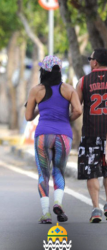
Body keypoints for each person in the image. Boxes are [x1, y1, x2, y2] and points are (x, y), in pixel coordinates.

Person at [25, 55, 82, 224]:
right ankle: (58, 202)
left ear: (43, 71)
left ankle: (46, 214)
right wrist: (66, 119)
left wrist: (38, 110)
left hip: (43, 135)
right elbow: (78, 110)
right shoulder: (68, 89)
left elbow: (28, 116)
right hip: (64, 136)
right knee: (59, 171)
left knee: (43, 173)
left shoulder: (36, 90)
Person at [76, 48, 107, 223]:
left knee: (92, 172)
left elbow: (77, 108)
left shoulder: (83, 81)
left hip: (91, 133)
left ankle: (96, 208)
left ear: (95, 62)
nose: (89, 61)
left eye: (90, 58)